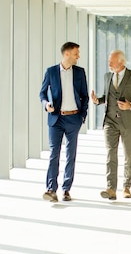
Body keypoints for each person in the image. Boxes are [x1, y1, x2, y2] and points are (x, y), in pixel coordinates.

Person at [90, 50, 131, 200]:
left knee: (128, 155)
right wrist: (98, 101)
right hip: (110, 121)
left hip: (129, 122)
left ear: (121, 62)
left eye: (112, 62)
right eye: (109, 61)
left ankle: (127, 186)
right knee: (111, 154)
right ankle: (110, 188)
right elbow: (106, 97)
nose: (109, 64)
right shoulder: (107, 76)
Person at [39, 42, 89, 202]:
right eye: (76, 53)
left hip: (74, 118)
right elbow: (42, 94)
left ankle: (66, 189)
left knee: (70, 155)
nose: (78, 56)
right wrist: (46, 105)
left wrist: (82, 116)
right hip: (56, 119)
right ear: (67, 54)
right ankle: (51, 189)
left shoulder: (80, 73)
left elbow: (85, 96)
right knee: (54, 154)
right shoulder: (51, 72)